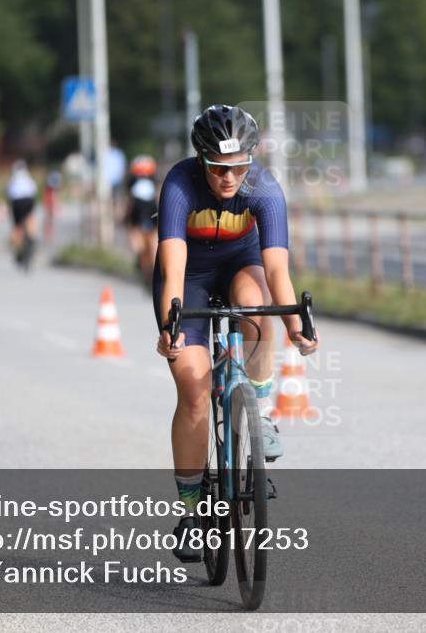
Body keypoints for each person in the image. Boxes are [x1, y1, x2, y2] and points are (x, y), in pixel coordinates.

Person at [153, 105, 319, 562]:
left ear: (251, 158)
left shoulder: (264, 188)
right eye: (218, 168)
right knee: (193, 389)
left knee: (257, 305)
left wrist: (296, 326)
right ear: (200, 160)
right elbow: (172, 267)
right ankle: (191, 509)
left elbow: (278, 270)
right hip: (189, 278)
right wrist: (171, 327)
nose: (229, 178)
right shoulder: (180, 184)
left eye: (238, 167)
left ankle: (258, 409)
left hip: (240, 266)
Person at [125, 155, 159, 287]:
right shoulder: (135, 190)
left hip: (149, 217)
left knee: (152, 246)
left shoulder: (149, 189)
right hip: (139, 218)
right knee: (139, 247)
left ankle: (151, 270)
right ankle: (143, 265)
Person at [6, 159, 38, 269]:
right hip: (28, 200)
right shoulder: (28, 176)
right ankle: (32, 237)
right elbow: (33, 191)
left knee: (17, 225)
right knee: (29, 218)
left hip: (16, 201)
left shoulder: (13, 178)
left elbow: (9, 194)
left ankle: (18, 248)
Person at [43, 168, 62, 241]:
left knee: (49, 216)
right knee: (49, 216)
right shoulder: (55, 178)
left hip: (50, 195)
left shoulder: (52, 178)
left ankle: (49, 232)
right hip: (50, 195)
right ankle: (48, 232)